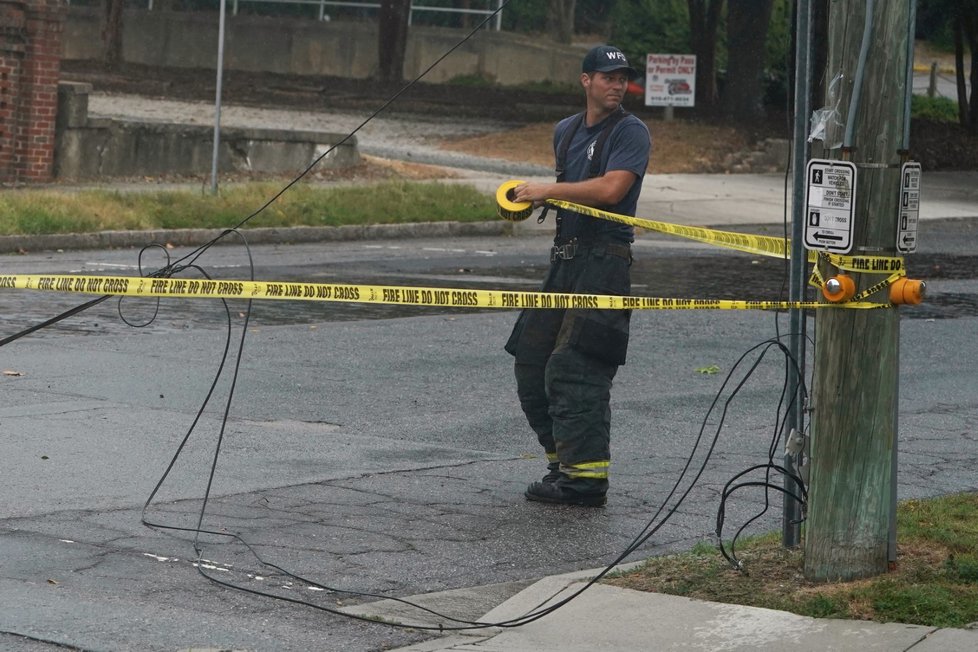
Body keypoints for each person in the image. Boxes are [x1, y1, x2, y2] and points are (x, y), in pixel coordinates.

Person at [504, 45, 651, 507]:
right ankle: (561, 466)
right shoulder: (565, 131)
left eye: (622, 77)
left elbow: (611, 189)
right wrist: (531, 200)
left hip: (605, 262)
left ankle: (586, 482)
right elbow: (571, 194)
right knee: (531, 359)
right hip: (564, 260)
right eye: (608, 77)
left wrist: (549, 188)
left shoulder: (631, 131)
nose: (617, 84)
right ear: (586, 80)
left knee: (576, 367)